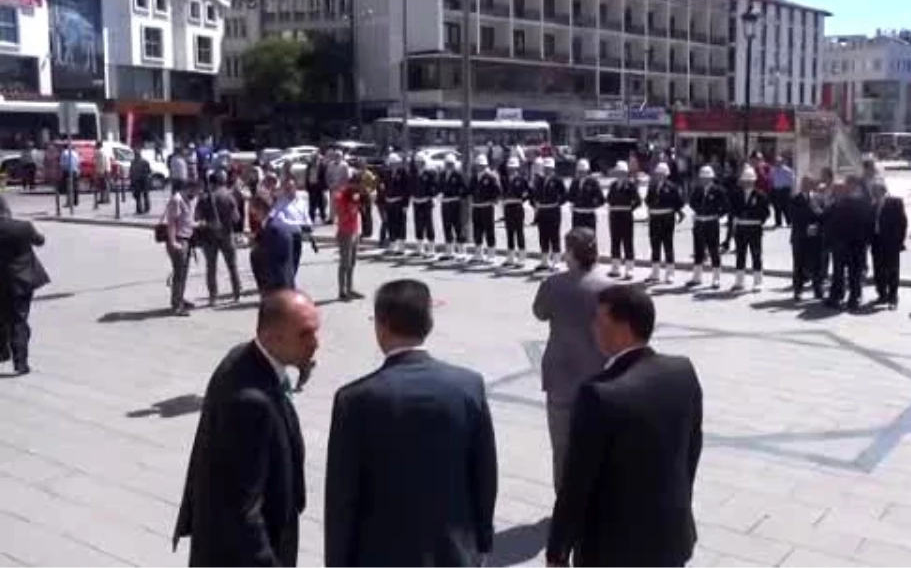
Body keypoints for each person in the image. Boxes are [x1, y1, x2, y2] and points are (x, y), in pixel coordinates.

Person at [324, 280, 497, 568]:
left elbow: (342, 500)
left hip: (380, 556)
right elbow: (484, 474)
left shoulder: (354, 399)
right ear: (428, 322)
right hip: (453, 552)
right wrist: (482, 542)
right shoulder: (468, 386)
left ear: (381, 326)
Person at [545, 284, 703, 568]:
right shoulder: (682, 371)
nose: (593, 325)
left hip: (614, 551)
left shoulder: (599, 393)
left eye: (599, 318)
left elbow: (577, 484)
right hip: (671, 537)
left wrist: (557, 551)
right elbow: (692, 451)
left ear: (624, 327)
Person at [173, 290, 319, 568]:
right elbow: (242, 512)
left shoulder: (245, 356)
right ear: (272, 337)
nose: (316, 343)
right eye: (305, 334)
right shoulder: (250, 403)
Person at [532, 228, 610, 490]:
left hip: (561, 374)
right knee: (597, 444)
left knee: (562, 447)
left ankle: (565, 505)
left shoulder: (553, 284)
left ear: (572, 254)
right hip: (598, 375)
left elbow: (540, 313)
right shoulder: (608, 288)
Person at [0, 196, 48, 376]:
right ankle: (20, 362)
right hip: (21, 280)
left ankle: (3, 352)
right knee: (19, 319)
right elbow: (40, 241)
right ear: (7, 209)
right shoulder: (22, 227)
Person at [822, 182, 872, 310]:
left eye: (839, 191)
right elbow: (826, 222)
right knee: (838, 272)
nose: (836, 194)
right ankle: (836, 296)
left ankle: (854, 297)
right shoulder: (834, 205)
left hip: (855, 245)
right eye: (835, 191)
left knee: (854, 273)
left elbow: (866, 224)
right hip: (838, 245)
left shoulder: (858, 204)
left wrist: (864, 242)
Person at [195, 172, 243, 306]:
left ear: (211, 183)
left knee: (211, 267)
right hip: (227, 234)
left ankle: (213, 296)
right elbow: (236, 218)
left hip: (208, 237)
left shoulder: (204, 198)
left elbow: (197, 218)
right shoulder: (229, 197)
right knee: (232, 266)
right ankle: (236, 293)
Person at [686, 165, 728, 290]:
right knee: (698, 250)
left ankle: (716, 278)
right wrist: (699, 211)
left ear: (711, 178)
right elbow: (692, 202)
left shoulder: (718, 190)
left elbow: (726, 206)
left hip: (711, 223)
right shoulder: (697, 189)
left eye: (707, 178)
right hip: (699, 222)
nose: (704, 180)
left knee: (713, 250)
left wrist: (717, 215)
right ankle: (697, 277)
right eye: (702, 178)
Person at [729, 165, 770, 291]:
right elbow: (732, 209)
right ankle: (739, 281)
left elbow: (766, 212)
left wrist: (756, 220)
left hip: (754, 228)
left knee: (756, 254)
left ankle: (758, 282)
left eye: (749, 181)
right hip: (741, 227)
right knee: (740, 254)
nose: (747, 183)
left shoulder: (760, 195)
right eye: (745, 181)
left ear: (754, 181)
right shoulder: (736, 194)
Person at [868, 181, 907, 309]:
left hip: (891, 242)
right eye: (872, 191)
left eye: (875, 190)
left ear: (883, 190)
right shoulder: (872, 205)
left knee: (892, 270)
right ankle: (881, 294)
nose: (873, 193)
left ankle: (893, 297)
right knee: (878, 269)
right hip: (877, 241)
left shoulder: (895, 202)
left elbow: (903, 223)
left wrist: (900, 241)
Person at [645, 161, 685, 284]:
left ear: (666, 174)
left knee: (668, 245)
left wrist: (675, 210)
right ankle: (655, 272)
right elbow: (647, 200)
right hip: (654, 218)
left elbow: (679, 202)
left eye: (661, 174)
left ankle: (670, 273)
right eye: (657, 174)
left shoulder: (672, 187)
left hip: (667, 218)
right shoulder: (652, 186)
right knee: (655, 245)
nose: (659, 176)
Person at [165, 180, 199, 316]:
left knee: (183, 273)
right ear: (189, 188)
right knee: (179, 274)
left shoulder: (192, 199)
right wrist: (173, 241)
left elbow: (188, 220)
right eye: (195, 191)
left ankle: (180, 299)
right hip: (178, 239)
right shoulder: (177, 200)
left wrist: (197, 224)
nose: (196, 195)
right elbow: (171, 222)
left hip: (187, 238)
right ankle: (176, 305)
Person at [249, 196, 296, 294]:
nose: (252, 213)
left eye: (254, 208)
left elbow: (277, 261)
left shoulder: (274, 229)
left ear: (261, 209)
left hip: (278, 285)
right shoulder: (268, 226)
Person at [789, 175, 824, 300]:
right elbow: (793, 217)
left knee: (816, 264)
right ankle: (798, 290)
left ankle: (817, 289)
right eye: (804, 183)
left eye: (809, 183)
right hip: (800, 237)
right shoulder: (795, 199)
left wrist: (816, 225)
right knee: (798, 264)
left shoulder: (818, 198)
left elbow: (823, 215)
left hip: (814, 237)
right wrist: (806, 226)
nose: (806, 186)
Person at [606, 160, 641, 280]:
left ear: (626, 173)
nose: (619, 175)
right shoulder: (613, 185)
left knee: (627, 242)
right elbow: (609, 199)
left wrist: (629, 209)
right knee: (615, 241)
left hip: (625, 215)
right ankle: (615, 268)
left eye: (622, 172)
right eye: (618, 172)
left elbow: (638, 201)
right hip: (614, 215)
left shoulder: (630, 185)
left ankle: (629, 269)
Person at [534, 157, 568, 271]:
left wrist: (558, 203)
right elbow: (535, 194)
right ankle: (544, 261)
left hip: (553, 211)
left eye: (549, 168)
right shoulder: (540, 180)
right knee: (543, 236)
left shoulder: (557, 180)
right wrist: (535, 203)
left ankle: (556, 261)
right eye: (545, 168)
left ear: (553, 168)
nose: (547, 170)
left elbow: (565, 194)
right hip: (542, 211)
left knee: (554, 236)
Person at [335, 173, 364, 300]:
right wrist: (351, 207)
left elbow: (360, 209)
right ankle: (342, 291)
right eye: (354, 184)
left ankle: (350, 288)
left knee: (352, 262)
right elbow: (342, 215)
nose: (356, 187)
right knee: (344, 263)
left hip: (354, 231)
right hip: (345, 232)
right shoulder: (341, 196)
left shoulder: (354, 195)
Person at [469, 153, 502, 264]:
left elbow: (498, 191)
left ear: (486, 165)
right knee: (477, 230)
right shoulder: (474, 177)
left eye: (482, 165)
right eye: (478, 165)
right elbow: (470, 190)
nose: (480, 167)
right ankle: (478, 254)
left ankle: (491, 254)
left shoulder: (491, 176)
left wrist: (493, 200)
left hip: (487, 206)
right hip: (476, 206)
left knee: (489, 230)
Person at [500, 157, 531, 268]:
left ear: (517, 168)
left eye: (513, 168)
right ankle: (510, 257)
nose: (511, 169)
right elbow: (501, 193)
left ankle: (521, 258)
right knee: (509, 233)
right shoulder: (504, 179)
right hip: (508, 207)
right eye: (509, 167)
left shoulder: (521, 179)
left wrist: (521, 199)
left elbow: (528, 193)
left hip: (517, 206)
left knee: (519, 232)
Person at [439, 155, 469, 261]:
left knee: (458, 226)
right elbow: (439, 187)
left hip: (455, 203)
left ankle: (461, 251)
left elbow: (465, 189)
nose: (449, 165)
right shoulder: (442, 174)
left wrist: (458, 195)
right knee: (446, 226)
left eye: (451, 164)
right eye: (447, 163)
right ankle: (449, 251)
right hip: (445, 203)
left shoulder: (458, 175)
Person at [380, 153, 410, 254]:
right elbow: (384, 187)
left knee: (401, 223)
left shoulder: (403, 173)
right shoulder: (387, 173)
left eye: (395, 163)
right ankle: (392, 243)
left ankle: (401, 246)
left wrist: (406, 204)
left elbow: (406, 189)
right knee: (391, 223)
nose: (393, 165)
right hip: (389, 201)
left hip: (399, 201)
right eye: (391, 164)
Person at [411, 156, 439, 258]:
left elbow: (435, 187)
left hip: (426, 201)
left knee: (429, 224)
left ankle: (431, 249)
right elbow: (412, 186)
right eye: (416, 162)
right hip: (416, 201)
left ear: (423, 162)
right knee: (418, 224)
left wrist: (431, 196)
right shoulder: (414, 174)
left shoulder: (430, 173)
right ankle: (420, 248)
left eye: (420, 162)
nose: (418, 164)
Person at [567, 158, 604, 231]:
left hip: (589, 215)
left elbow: (601, 199)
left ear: (587, 171)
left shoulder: (593, 182)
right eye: (579, 171)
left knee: (589, 238)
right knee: (577, 238)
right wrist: (574, 202)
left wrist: (592, 205)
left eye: (583, 172)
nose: (581, 174)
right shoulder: (575, 182)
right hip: (577, 215)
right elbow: (570, 196)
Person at [768, 155, 794, 228]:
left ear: (782, 162)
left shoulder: (787, 170)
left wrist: (789, 190)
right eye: (776, 162)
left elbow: (791, 180)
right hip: (776, 190)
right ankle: (778, 222)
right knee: (777, 207)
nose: (777, 163)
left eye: (779, 162)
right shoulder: (773, 170)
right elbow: (770, 180)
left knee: (786, 207)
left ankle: (789, 222)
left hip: (785, 190)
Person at [305, 152, 329, 224]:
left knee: (321, 203)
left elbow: (325, 177)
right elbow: (307, 175)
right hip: (311, 187)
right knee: (312, 204)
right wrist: (307, 185)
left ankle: (323, 217)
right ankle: (311, 219)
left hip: (319, 187)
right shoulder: (309, 165)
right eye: (313, 157)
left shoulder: (322, 166)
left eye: (315, 157)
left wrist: (324, 186)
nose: (314, 159)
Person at [129, 149, 152, 215]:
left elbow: (131, 172)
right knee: (143, 195)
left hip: (139, 180)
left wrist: (132, 180)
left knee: (140, 196)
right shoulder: (144, 162)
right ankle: (144, 209)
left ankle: (140, 210)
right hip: (142, 180)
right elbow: (149, 171)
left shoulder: (133, 162)